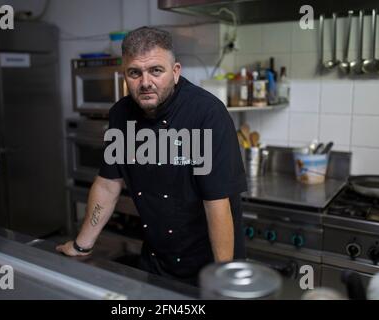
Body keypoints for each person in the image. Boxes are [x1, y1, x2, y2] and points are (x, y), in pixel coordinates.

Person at [56, 26, 247, 285]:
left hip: (209, 262)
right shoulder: (121, 116)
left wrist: (223, 280)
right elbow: (108, 184)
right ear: (125, 74)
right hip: (156, 259)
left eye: (156, 70)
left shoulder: (206, 114)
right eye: (135, 72)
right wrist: (82, 245)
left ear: (176, 71)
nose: (145, 82)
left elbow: (216, 203)